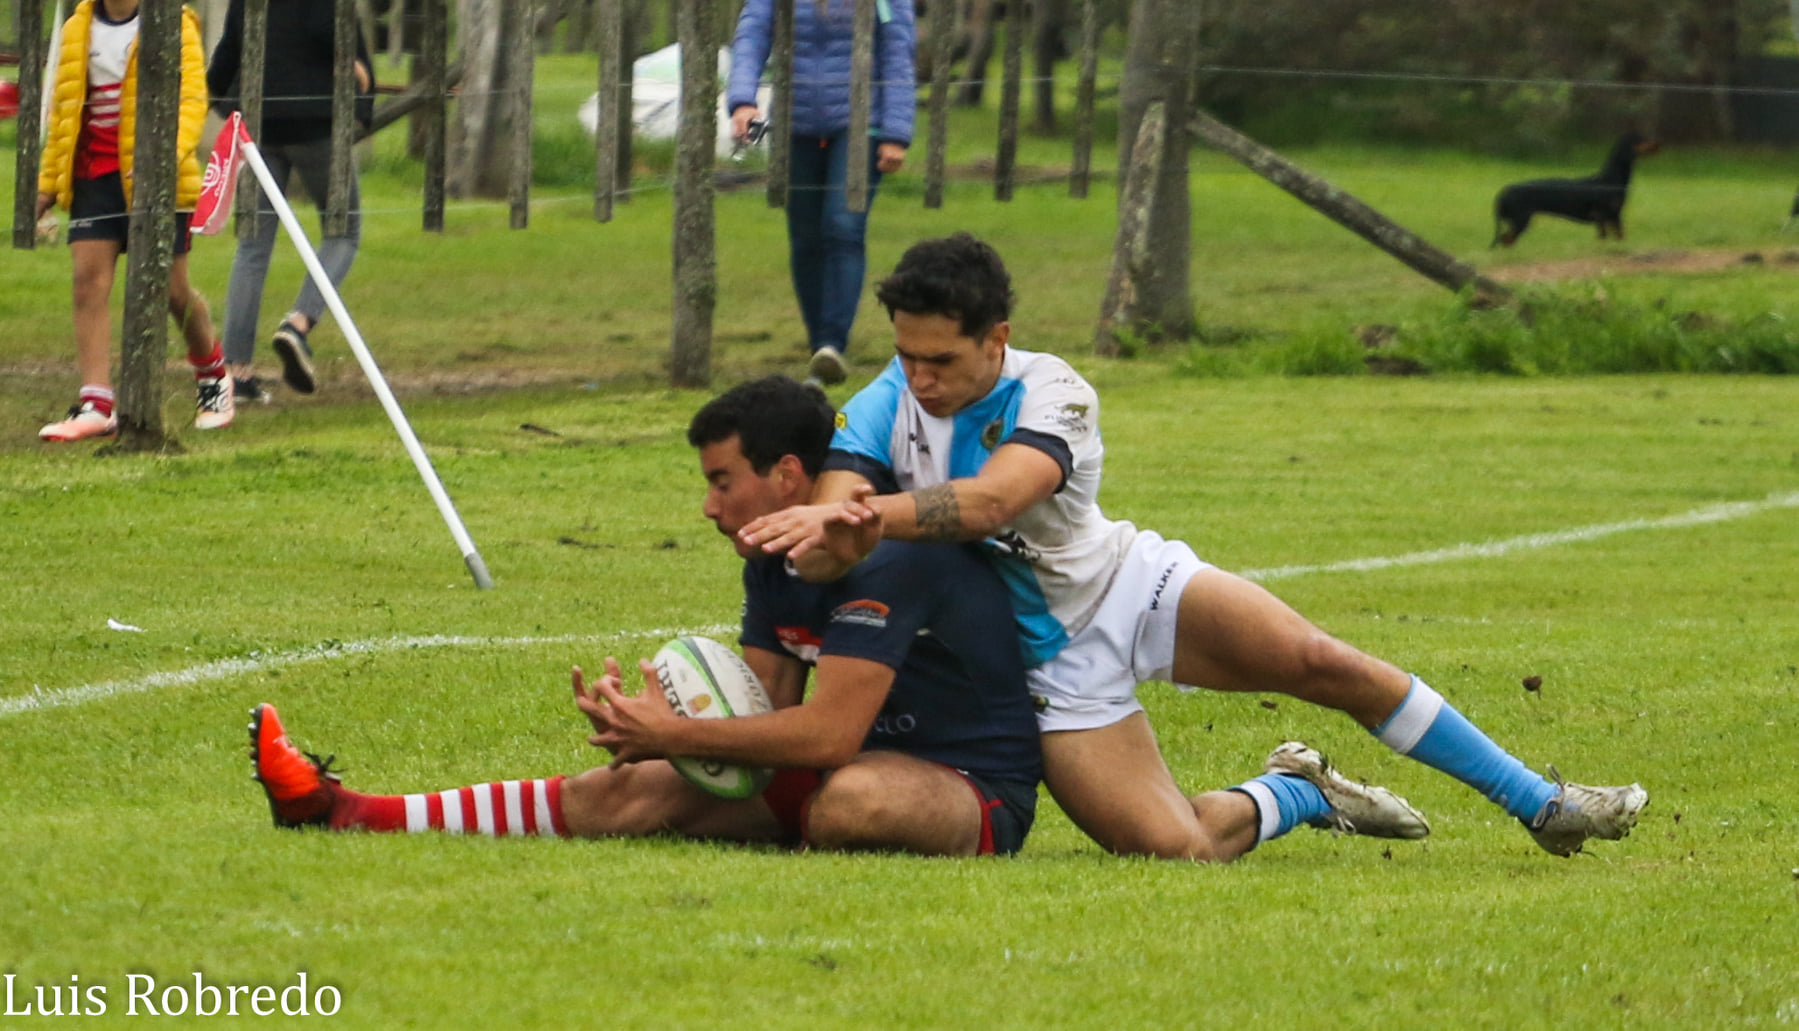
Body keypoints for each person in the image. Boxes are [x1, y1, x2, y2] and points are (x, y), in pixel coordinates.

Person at [739, 233, 1650, 860]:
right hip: (1045, 668)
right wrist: (821, 541)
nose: (919, 377)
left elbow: (992, 501)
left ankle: (1542, 802)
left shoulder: (1056, 390)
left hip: (1129, 586)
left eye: (940, 359)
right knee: (1177, 850)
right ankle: (1295, 790)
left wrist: (860, 520)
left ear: (998, 340)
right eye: (906, 355)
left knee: (1320, 660)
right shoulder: (883, 401)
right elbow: (829, 536)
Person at [250, 376, 1043, 856]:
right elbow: (765, 718)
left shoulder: (890, 555)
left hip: (969, 787)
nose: (708, 507)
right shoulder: (769, 562)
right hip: (842, 766)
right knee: (618, 791)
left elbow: (826, 736)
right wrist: (666, 722)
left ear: (787, 475)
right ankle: (344, 810)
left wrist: (679, 736)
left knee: (852, 804)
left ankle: (781, 828)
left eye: (722, 481)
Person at [35, 0, 234, 442]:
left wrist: (162, 157)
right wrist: (47, 186)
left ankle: (213, 374)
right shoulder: (77, 27)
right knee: (88, 282)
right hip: (94, 176)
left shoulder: (176, 24)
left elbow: (192, 102)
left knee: (171, 290)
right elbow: (65, 114)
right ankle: (96, 403)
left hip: (157, 177)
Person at [726, 0, 915, 387]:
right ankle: (820, 348)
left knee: (843, 227)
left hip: (861, 122)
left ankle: (832, 342)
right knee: (805, 237)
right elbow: (753, 33)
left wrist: (896, 132)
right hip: (795, 124)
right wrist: (743, 99)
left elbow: (898, 51)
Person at [206, 0, 374, 400]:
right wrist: (358, 74)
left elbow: (225, 59)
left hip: (259, 129)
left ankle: (236, 372)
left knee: (252, 247)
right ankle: (298, 323)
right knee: (343, 233)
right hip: (316, 126)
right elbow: (328, 32)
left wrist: (225, 104)